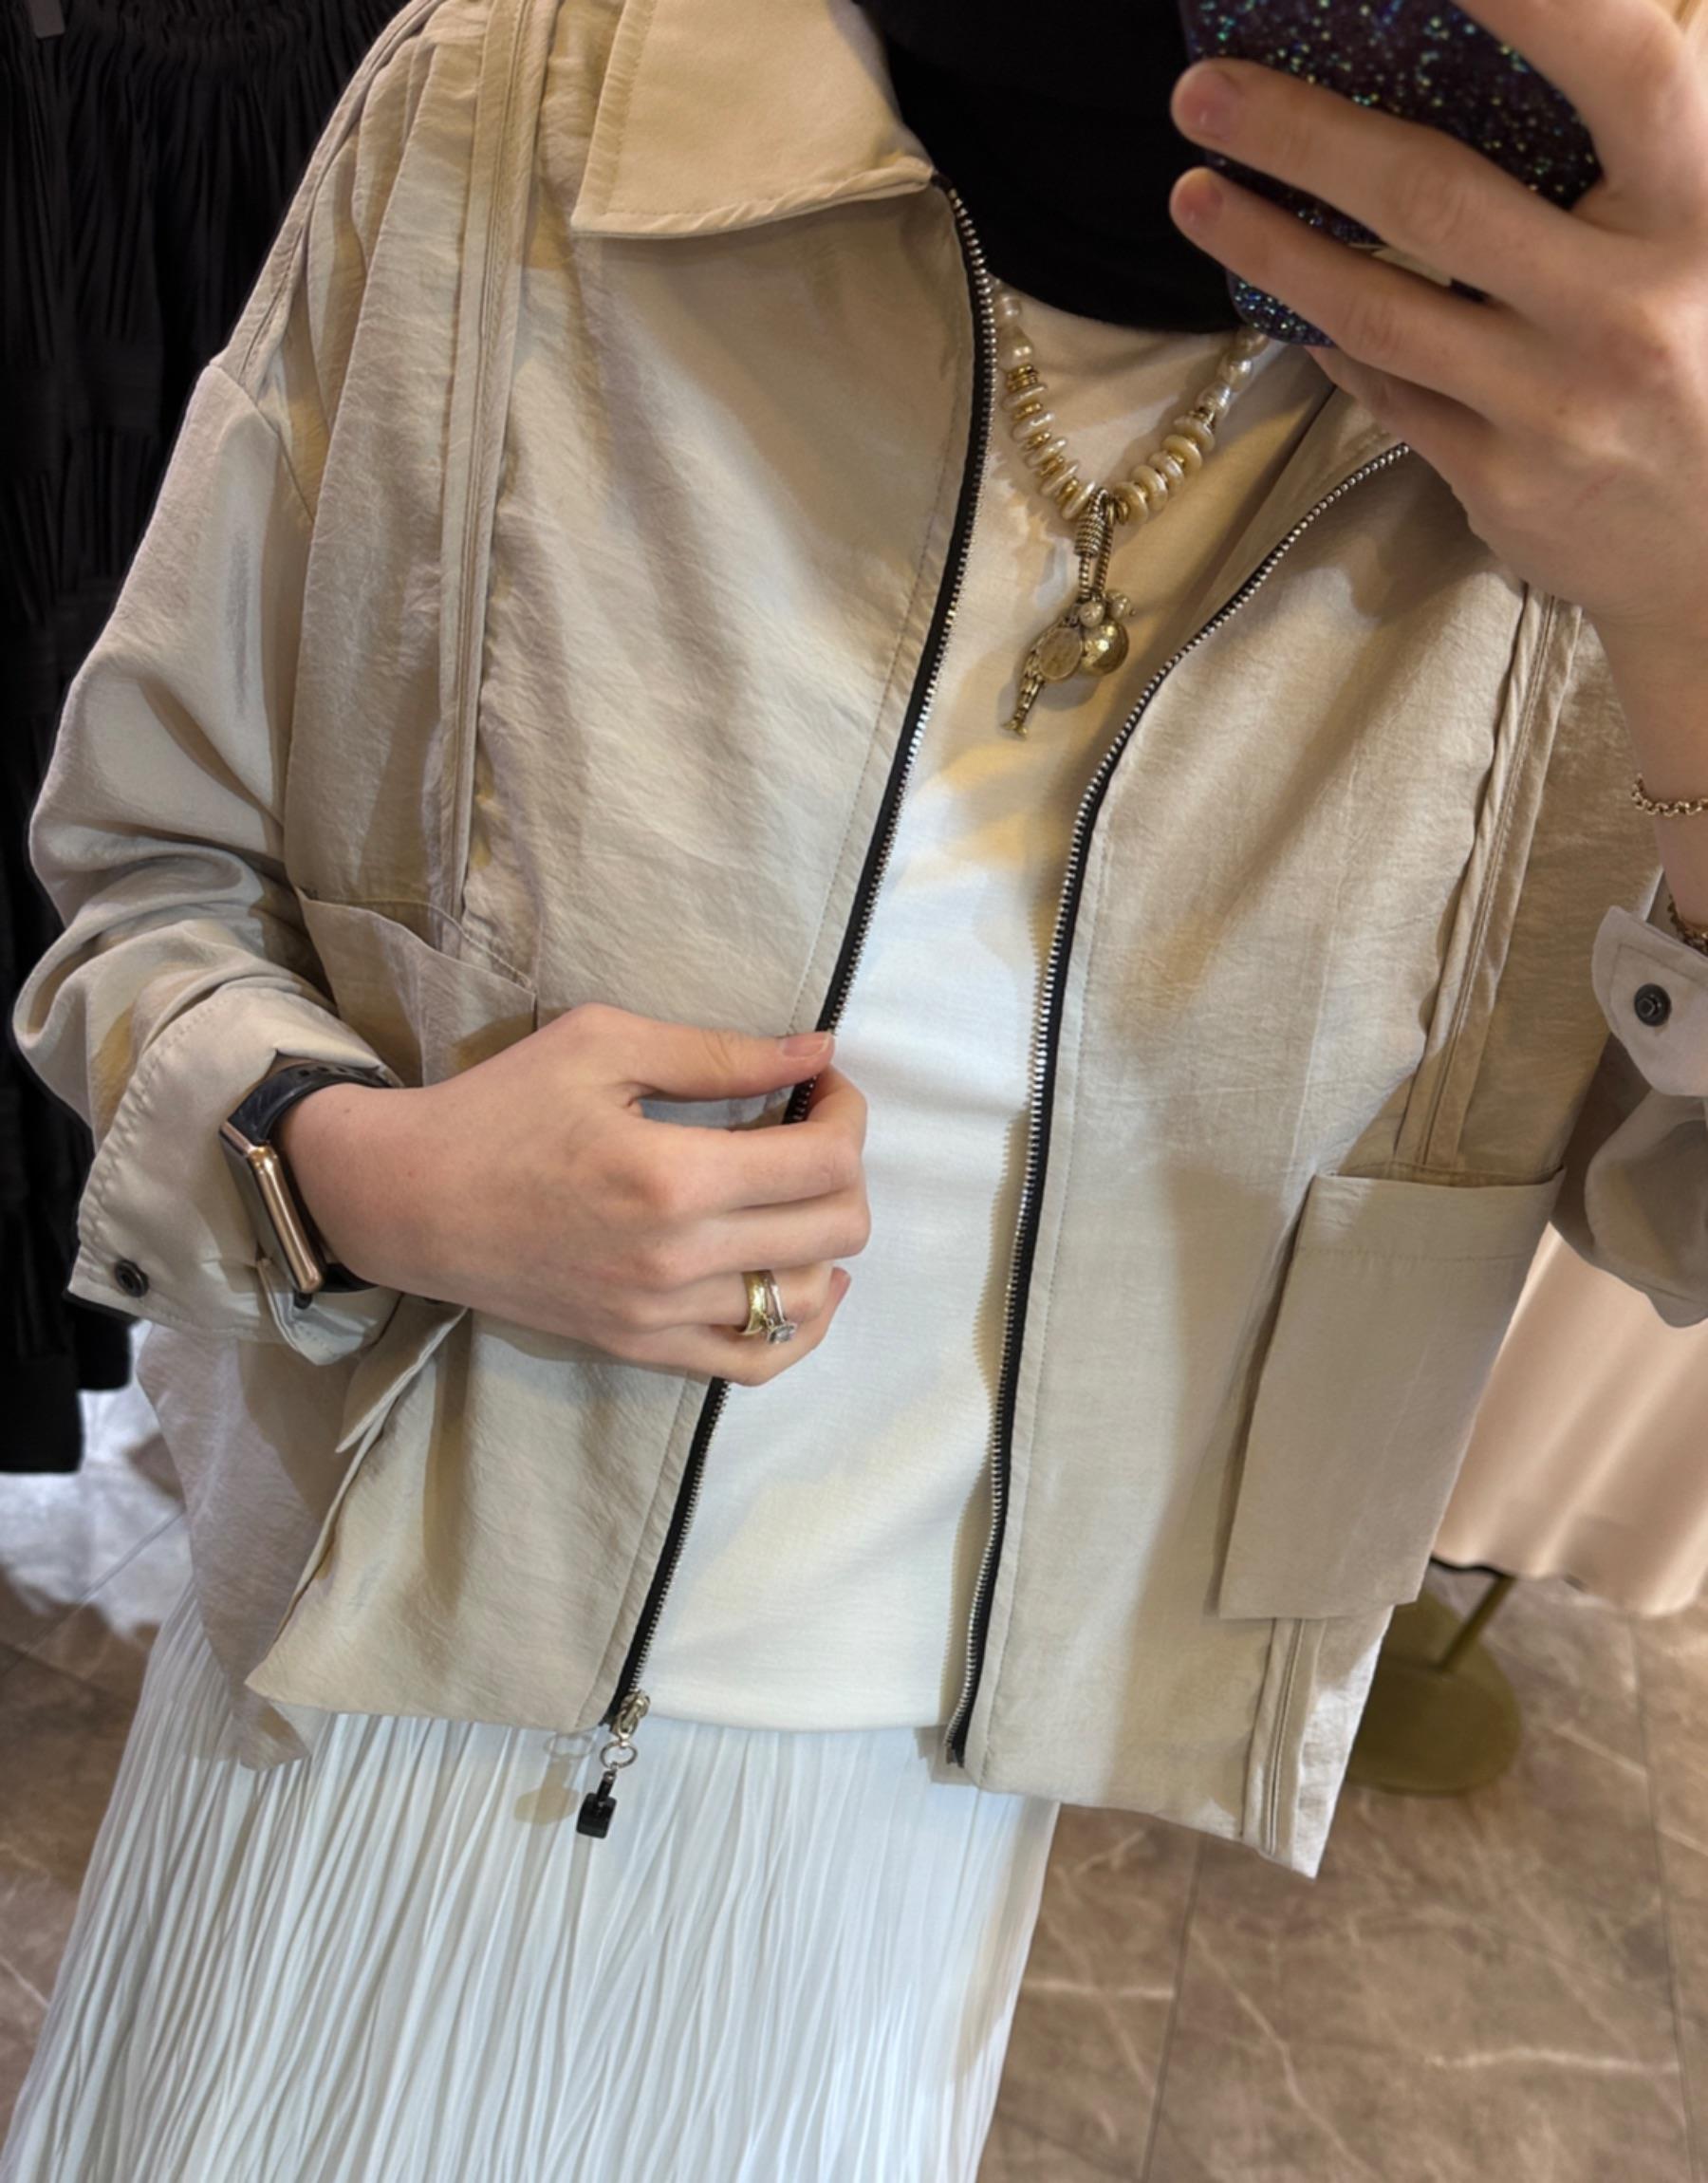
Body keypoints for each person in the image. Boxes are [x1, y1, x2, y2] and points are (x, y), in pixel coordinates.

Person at [7, 0, 1708, 2174]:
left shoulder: (1639, 398)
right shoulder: (522, 98)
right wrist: (364, 1177)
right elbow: (141, 878)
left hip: (895, 1875)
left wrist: (1694, 619)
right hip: (337, 1749)